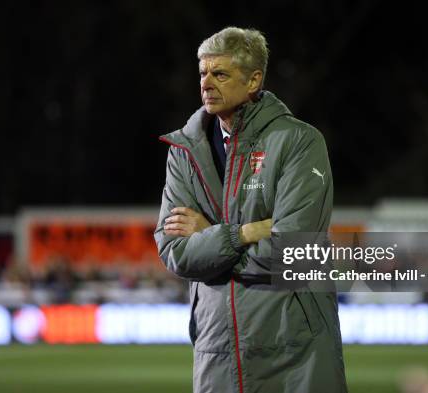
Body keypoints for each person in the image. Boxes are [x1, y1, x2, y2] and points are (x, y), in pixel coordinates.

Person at [154, 27, 347, 393]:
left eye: (220, 74)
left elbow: (293, 253)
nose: (206, 83)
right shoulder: (183, 151)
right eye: (203, 73)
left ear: (254, 80)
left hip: (295, 353)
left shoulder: (299, 142)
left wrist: (208, 236)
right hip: (217, 349)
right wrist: (242, 233)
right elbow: (174, 252)